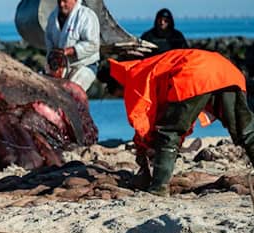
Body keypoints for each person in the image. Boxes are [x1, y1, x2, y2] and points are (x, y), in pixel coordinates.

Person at [109, 49, 254, 196]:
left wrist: (143, 147)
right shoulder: (149, 66)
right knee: (246, 130)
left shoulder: (134, 76)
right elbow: (174, 110)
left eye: (118, 95)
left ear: (118, 85)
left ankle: (158, 187)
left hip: (195, 73)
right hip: (227, 71)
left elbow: (142, 118)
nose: (121, 97)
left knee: (169, 133)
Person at [45, 0, 101, 92]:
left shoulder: (87, 16)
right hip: (61, 68)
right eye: (59, 1)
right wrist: (52, 61)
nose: (61, 4)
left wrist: (70, 50)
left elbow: (93, 44)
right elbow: (49, 41)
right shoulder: (52, 17)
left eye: (65, 1)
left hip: (84, 66)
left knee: (71, 94)